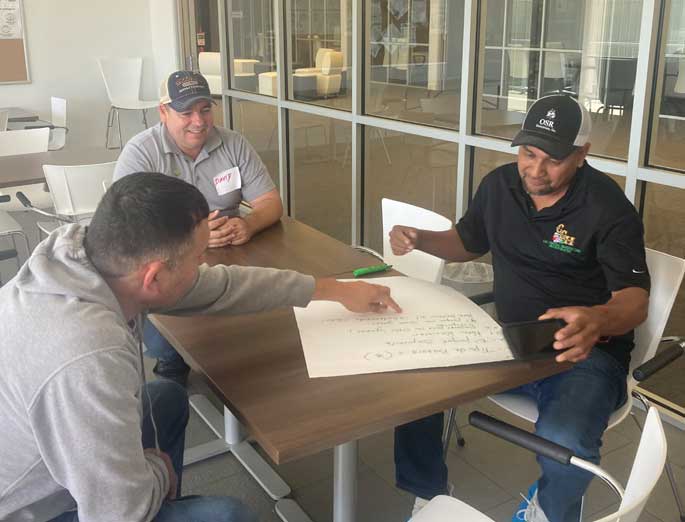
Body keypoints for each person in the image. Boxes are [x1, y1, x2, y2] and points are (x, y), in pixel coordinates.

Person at [0, 173, 400, 522]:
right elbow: (115, 513)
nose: (203, 266)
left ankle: (162, 499)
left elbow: (225, 286)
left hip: (48, 456)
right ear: (153, 277)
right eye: (197, 256)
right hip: (29, 509)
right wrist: (156, 471)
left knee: (167, 399)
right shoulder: (86, 356)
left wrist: (331, 290)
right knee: (229, 516)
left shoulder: (84, 257)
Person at [389, 95, 650, 522]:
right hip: (508, 340)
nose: (535, 169)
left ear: (582, 155)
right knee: (419, 381)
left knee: (565, 442)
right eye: (528, 153)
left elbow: (635, 300)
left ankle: (547, 511)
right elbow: (468, 242)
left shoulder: (608, 209)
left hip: (581, 354)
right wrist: (423, 238)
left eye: (553, 160)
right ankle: (428, 491)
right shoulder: (499, 187)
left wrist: (598, 318)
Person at [113, 70, 284, 384]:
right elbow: (128, 230)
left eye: (205, 109)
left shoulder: (234, 143)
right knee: (172, 344)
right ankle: (173, 372)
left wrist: (249, 224)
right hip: (167, 270)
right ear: (163, 112)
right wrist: (194, 238)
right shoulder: (140, 153)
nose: (199, 120)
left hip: (234, 258)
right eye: (186, 112)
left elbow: (271, 202)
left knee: (265, 322)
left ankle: (251, 395)